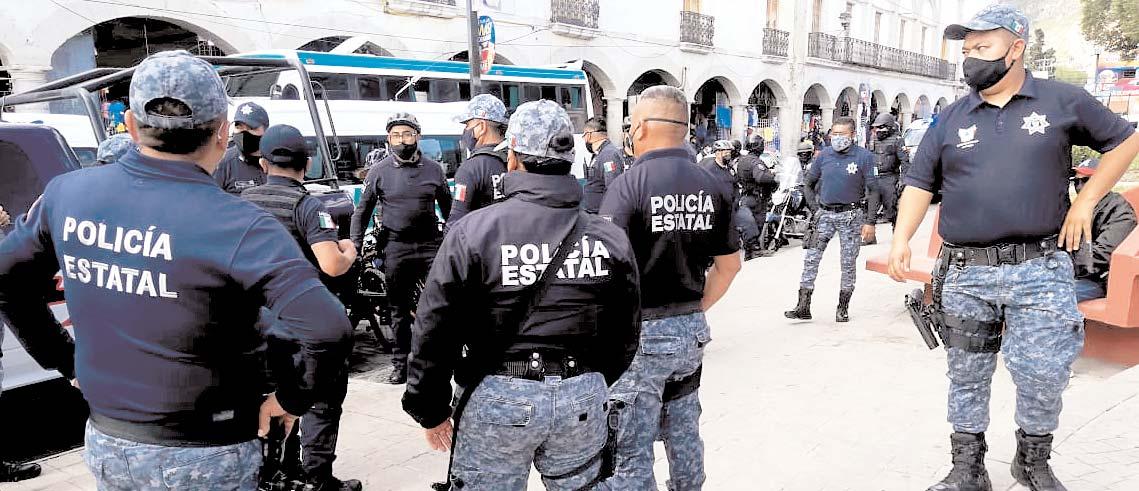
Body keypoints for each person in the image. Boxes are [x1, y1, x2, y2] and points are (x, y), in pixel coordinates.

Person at [0, 50, 353, 491]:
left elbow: (6, 280)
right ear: (222, 132)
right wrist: (291, 399)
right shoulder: (238, 224)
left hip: (110, 444)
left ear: (131, 125)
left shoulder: (67, 195)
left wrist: (66, 361)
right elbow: (328, 328)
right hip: (209, 452)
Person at [888, 6, 1139, 491]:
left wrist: (1086, 201)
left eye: (983, 47)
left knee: (1045, 372)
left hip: (1040, 268)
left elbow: (1126, 141)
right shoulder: (951, 118)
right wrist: (901, 239)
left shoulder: (1062, 100)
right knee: (966, 373)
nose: (971, 58)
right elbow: (919, 183)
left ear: (1017, 47)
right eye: (966, 50)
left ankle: (1032, 460)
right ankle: (968, 468)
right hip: (966, 272)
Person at [402, 99, 640, 490]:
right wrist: (587, 380)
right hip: (582, 397)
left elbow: (435, 327)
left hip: (497, 396)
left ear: (512, 156)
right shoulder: (608, 237)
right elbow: (626, 332)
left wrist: (428, 408)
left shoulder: (474, 231)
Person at [598, 85, 741, 491]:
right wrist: (695, 308)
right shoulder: (712, 184)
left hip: (640, 334)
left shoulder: (629, 184)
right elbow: (730, 266)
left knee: (632, 444)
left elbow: (605, 269)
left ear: (641, 127)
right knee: (683, 430)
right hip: (690, 331)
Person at [241, 125, 361, 491]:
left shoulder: (242, 203)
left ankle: (283, 473)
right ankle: (317, 479)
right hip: (304, 325)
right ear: (307, 164)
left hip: (257, 327)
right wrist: (349, 249)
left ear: (263, 164)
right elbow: (332, 265)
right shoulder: (307, 206)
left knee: (275, 401)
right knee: (321, 402)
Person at [350, 112, 452, 385]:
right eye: (396, 135)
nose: (402, 140)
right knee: (398, 312)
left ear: (417, 136)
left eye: (407, 134)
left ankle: (439, 359)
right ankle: (401, 365)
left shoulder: (434, 170)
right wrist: (355, 246)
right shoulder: (379, 171)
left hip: (430, 246)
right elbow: (362, 212)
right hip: (396, 247)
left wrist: (453, 240)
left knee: (440, 305)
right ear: (388, 139)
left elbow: (450, 211)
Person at [785, 117, 876, 323]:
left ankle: (843, 307)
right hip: (824, 214)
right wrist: (815, 209)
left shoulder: (864, 157)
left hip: (850, 216)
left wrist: (870, 221)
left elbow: (874, 190)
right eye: (834, 134)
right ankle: (803, 305)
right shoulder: (824, 156)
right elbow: (808, 183)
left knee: (848, 262)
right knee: (811, 259)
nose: (837, 138)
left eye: (842, 134)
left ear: (852, 135)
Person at [1070, 159, 1138, 301]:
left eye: (1086, 180)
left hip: (1098, 280)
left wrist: (1063, 267)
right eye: (1076, 182)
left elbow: (1101, 256)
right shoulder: (1079, 209)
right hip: (1076, 275)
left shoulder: (1119, 210)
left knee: (1044, 296)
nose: (1079, 186)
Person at [447, 94, 510, 230]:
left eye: (467, 125)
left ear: (481, 127)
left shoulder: (472, 168)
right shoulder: (519, 161)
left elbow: (456, 224)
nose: (465, 131)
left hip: (483, 241)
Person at [864, 112, 910, 244]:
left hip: (890, 178)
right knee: (870, 209)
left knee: (892, 209)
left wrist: (903, 180)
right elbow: (868, 158)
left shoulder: (897, 140)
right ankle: (869, 237)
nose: (878, 130)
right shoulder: (873, 140)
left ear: (889, 127)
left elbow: (905, 162)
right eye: (876, 128)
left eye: (881, 127)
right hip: (874, 177)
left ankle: (898, 235)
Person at [214, 101, 270, 195]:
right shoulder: (222, 163)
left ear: (266, 130)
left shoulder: (277, 161)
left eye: (251, 128)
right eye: (239, 127)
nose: (244, 133)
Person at [736, 135, 779, 259]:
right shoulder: (755, 161)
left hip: (745, 196)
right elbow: (761, 177)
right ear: (759, 146)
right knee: (757, 223)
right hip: (756, 197)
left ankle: (749, 251)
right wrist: (773, 178)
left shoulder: (742, 160)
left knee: (748, 224)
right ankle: (754, 250)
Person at [581, 117, 626, 214]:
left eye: (584, 135)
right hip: (594, 212)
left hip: (601, 214)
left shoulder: (608, 155)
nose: (584, 139)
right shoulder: (599, 154)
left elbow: (612, 187)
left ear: (588, 135)